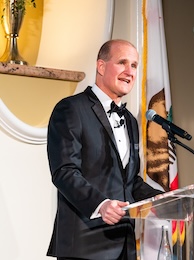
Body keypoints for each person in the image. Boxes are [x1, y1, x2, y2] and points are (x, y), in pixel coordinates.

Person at [46, 39, 163, 260]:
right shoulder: (71, 109)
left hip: (124, 246)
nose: (130, 72)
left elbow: (131, 182)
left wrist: (167, 200)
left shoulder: (130, 120)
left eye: (135, 65)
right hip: (84, 245)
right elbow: (64, 171)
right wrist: (100, 205)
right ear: (101, 66)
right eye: (122, 63)